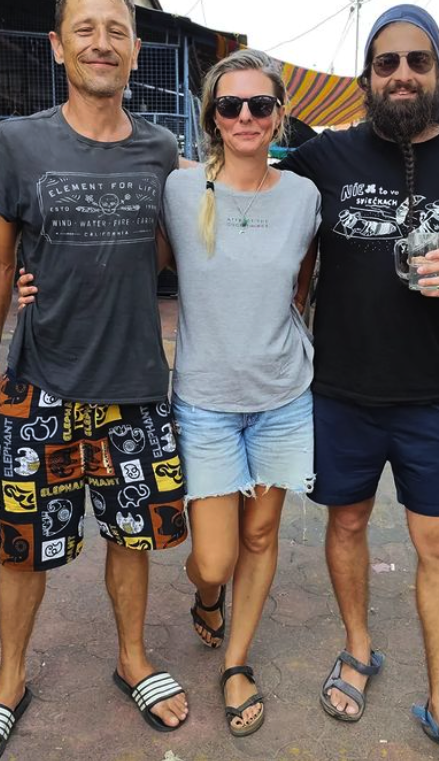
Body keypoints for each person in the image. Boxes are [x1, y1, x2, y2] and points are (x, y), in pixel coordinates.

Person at [19, 49, 321, 738]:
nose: (245, 117)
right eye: (230, 105)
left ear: (278, 115)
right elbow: (121, 250)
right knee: (213, 559)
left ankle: (236, 663)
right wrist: (35, 277)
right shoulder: (181, 190)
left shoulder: (304, 196)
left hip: (283, 396)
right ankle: (208, 598)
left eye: (260, 105)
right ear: (212, 117)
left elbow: (302, 283)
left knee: (262, 533)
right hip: (206, 402)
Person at [277, 4, 439, 761]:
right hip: (341, 392)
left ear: (438, 73)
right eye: (386, 62)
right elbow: (252, 188)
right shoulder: (327, 157)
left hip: (433, 395)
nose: (402, 75)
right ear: (368, 76)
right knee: (347, 524)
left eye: (418, 61)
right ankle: (359, 648)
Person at [0, 0, 189, 761]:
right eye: (85, 29)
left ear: (135, 50)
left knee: (133, 537)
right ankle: (7, 679)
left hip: (135, 386)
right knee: (21, 543)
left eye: (116, 30)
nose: (102, 42)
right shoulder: (17, 143)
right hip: (40, 385)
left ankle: (133, 659)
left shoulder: (162, 151)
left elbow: (183, 248)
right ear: (58, 47)